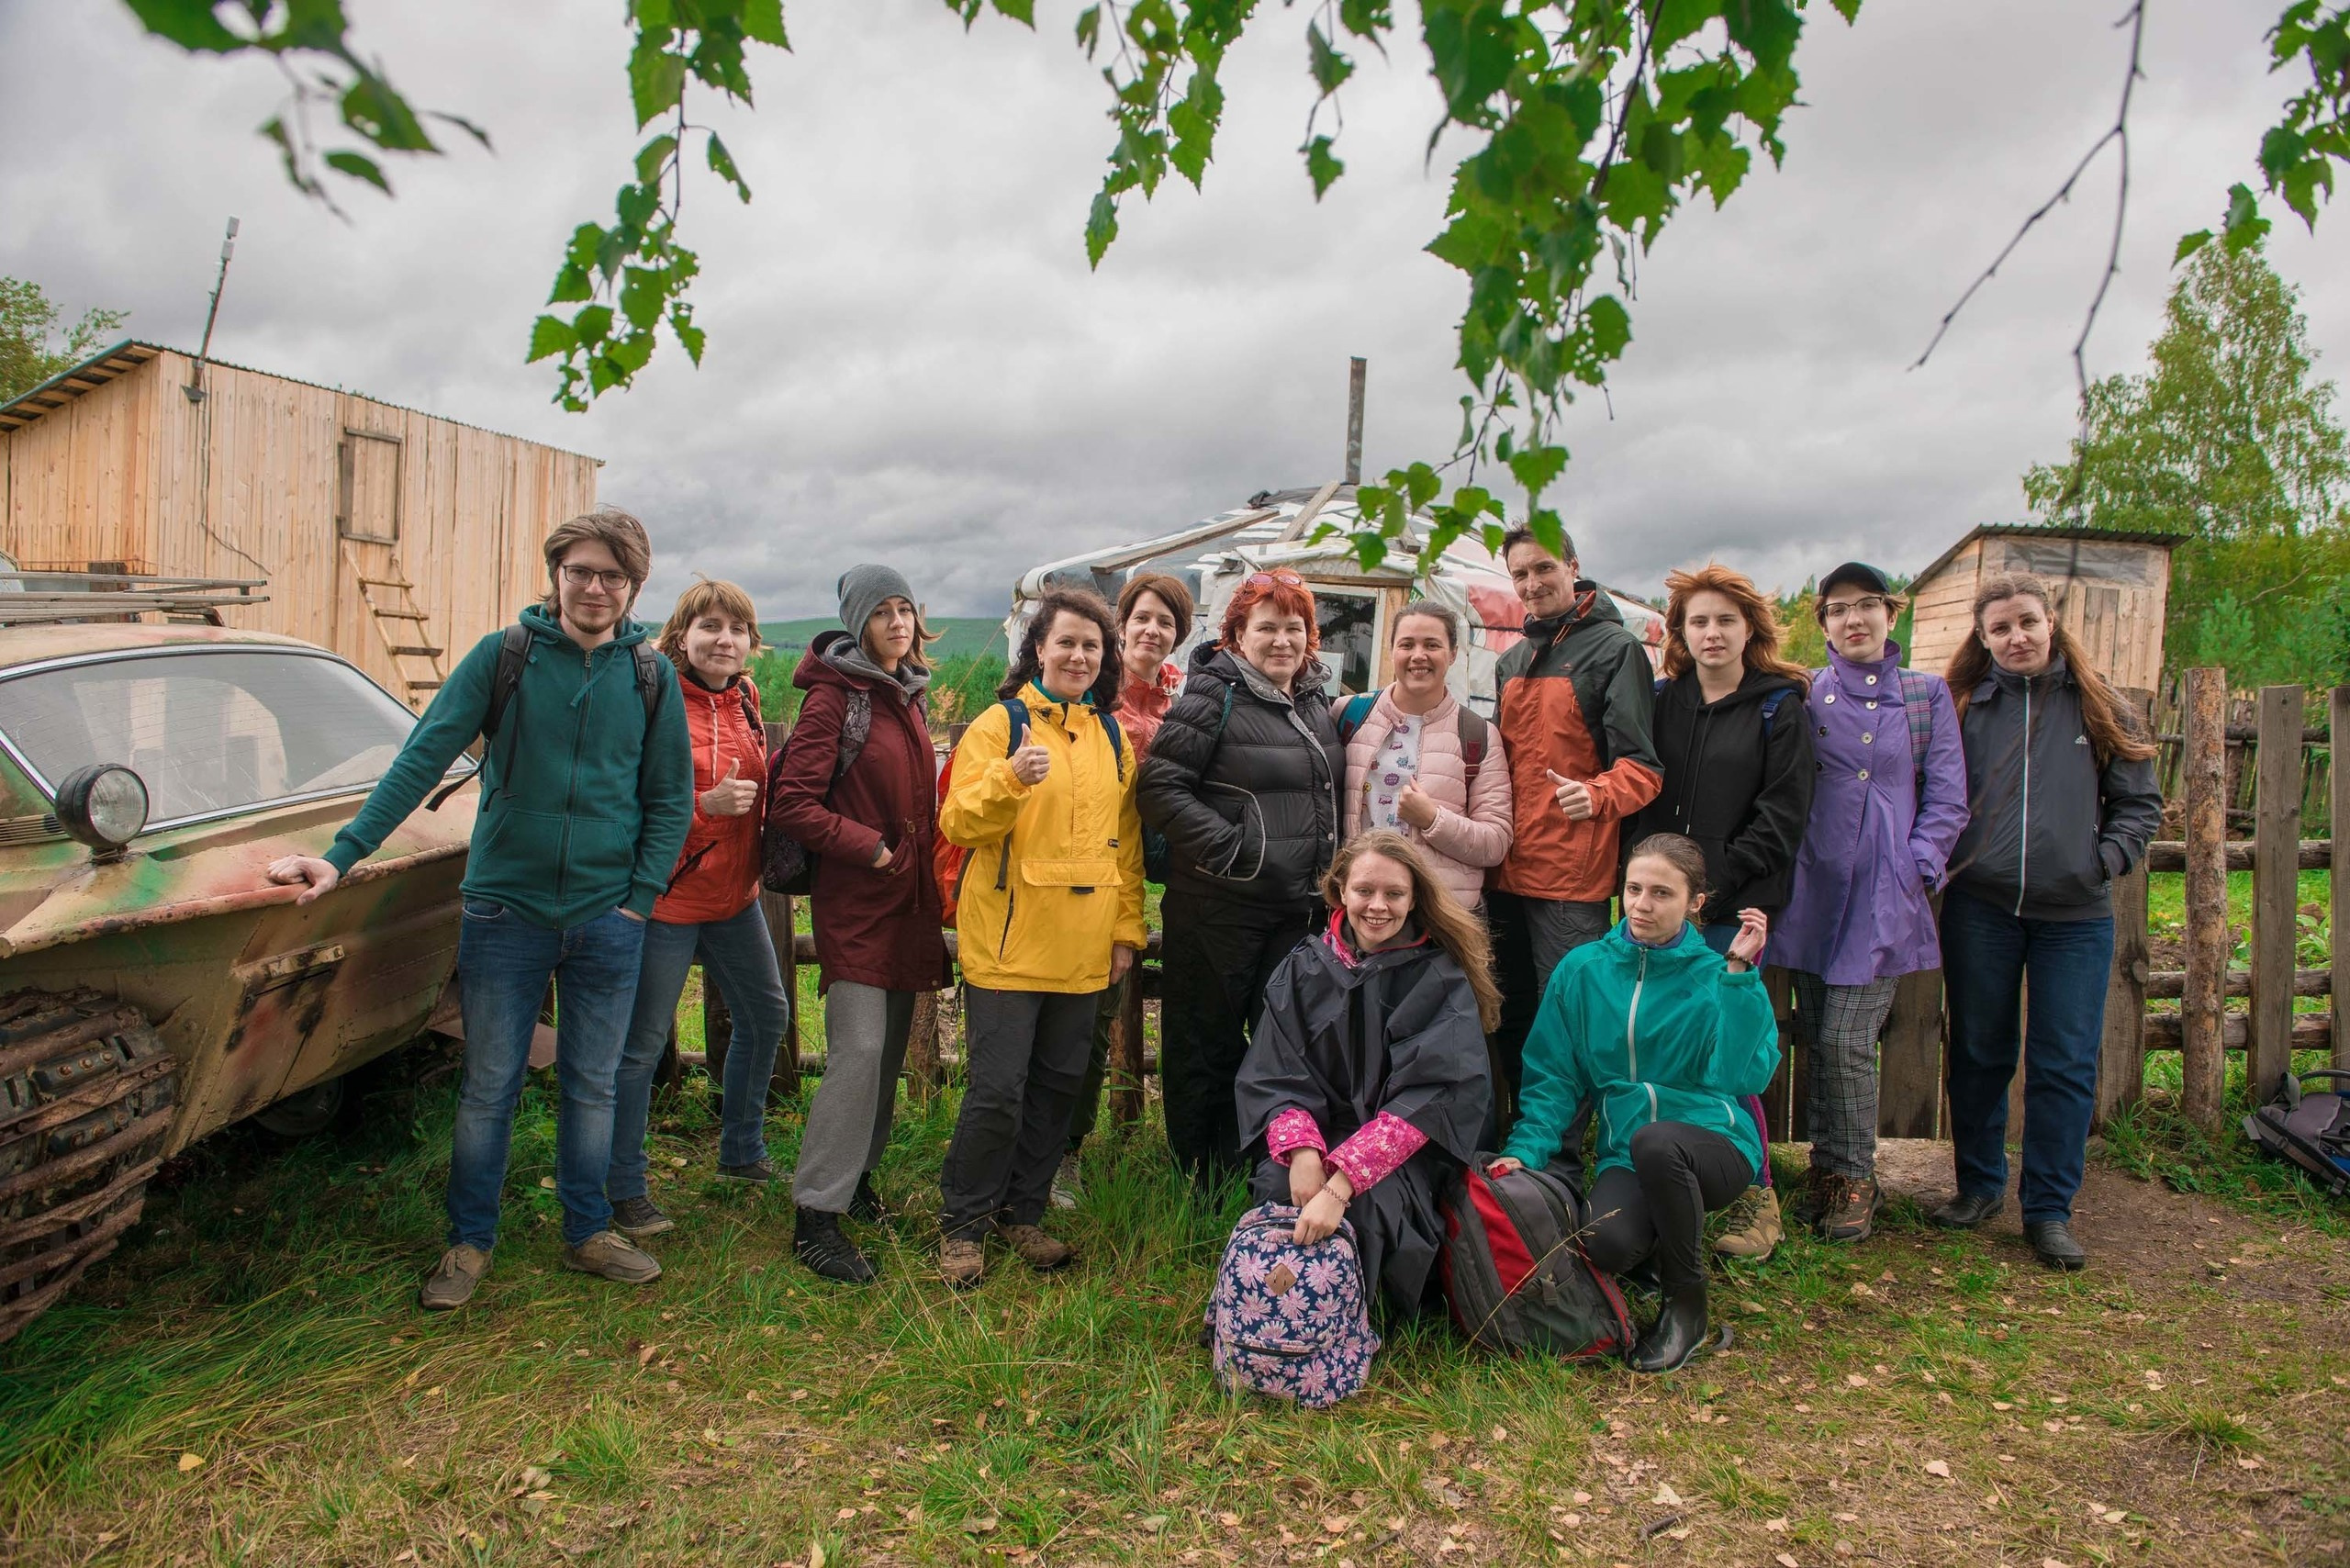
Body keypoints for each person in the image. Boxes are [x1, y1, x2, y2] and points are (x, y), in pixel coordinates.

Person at [266, 507, 693, 1309]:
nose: (594, 588)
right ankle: (468, 1243)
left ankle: (589, 1230)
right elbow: (420, 756)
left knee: (592, 1084)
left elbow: (671, 797)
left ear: (633, 587)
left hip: (608, 917)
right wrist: (341, 855)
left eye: (611, 576)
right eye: (579, 571)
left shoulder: (650, 677)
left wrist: (638, 900)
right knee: (490, 1084)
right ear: (556, 574)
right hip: (505, 911)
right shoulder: (506, 657)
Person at [1930, 572, 2161, 1271]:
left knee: (2063, 1062)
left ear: (2050, 622)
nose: (2016, 637)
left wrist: (2102, 862)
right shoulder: (1964, 706)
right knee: (1979, 1052)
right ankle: (1979, 1187)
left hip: (2075, 917)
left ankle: (2049, 1210)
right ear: (1983, 637)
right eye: (2000, 628)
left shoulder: (2099, 705)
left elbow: (2139, 804)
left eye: (2027, 622)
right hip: (1982, 909)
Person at [1490, 834, 1778, 1373]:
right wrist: (1527, 1148)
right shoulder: (1583, 970)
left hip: (1714, 1148)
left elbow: (1743, 1077)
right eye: (1633, 889)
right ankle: (1656, 1246)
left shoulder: (1717, 975)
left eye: (1662, 893)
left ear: (1694, 902)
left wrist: (1740, 975)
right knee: (1605, 1245)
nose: (1642, 905)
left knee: (1658, 1141)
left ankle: (1686, 1304)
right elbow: (1554, 1074)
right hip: (1628, 1154)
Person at [935, 589, 1145, 1286]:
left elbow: (1126, 848)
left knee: (1056, 1089)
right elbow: (958, 823)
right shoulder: (1000, 725)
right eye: (1067, 643)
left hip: (1085, 945)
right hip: (1007, 943)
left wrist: (1126, 930)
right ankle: (963, 1225)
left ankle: (1021, 1213)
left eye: (1092, 645)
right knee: (997, 1091)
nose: (1079, 656)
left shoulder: (1111, 737)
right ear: (1039, 649)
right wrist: (1009, 778)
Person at [1767, 562, 1968, 1245]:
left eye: (1867, 605)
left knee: (1845, 1040)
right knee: (1818, 1036)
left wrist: (1916, 867)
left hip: (1883, 896)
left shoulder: (1925, 696)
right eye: (1838, 609)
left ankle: (1856, 1177)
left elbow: (1948, 798)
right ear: (1823, 622)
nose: (1854, 619)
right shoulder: (1805, 694)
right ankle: (1827, 1170)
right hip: (1812, 893)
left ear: (1891, 613)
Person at [768, 566, 954, 1284]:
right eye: (881, 612)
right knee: (859, 1050)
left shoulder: (906, 693)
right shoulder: (833, 697)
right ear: (857, 623)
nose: (898, 622)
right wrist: (871, 848)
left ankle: (857, 1182)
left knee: (884, 1053)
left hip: (905, 902)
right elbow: (793, 803)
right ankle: (815, 1215)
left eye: (905, 608)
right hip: (857, 900)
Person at [1627, 564, 1815, 1262]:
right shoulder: (1661, 702)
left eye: (1725, 620)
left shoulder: (1778, 709)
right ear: (1679, 631)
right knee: (1665, 1040)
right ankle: (1672, 1173)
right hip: (1661, 903)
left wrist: (1710, 885)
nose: (1711, 633)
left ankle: (1758, 1191)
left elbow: (1783, 814)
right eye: (1697, 621)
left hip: (1731, 907)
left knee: (1725, 1046)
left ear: (1749, 629)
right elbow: (1641, 788)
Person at [1139, 567, 1344, 1187]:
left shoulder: (1314, 699)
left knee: (1284, 1043)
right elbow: (1160, 788)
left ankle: (1265, 1168)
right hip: (1218, 906)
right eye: (1267, 628)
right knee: (1208, 1041)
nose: (1282, 641)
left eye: (1294, 628)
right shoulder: (1212, 695)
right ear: (1237, 634)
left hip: (1295, 910)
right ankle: (1204, 1177)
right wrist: (1234, 852)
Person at [1235, 830, 1497, 1316]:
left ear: (1414, 898)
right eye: (1364, 890)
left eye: (1394, 893)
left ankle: (1358, 1318)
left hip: (1400, 1149)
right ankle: (1278, 1310)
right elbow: (1275, 1070)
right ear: (1340, 891)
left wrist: (1343, 1182)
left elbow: (1432, 1097)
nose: (1378, 906)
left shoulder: (1438, 977)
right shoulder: (1303, 968)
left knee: (1370, 1206)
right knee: (1278, 1183)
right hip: (1321, 1130)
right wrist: (1304, 1152)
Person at [604, 579, 792, 1239]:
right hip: (666, 899)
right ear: (681, 636)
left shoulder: (746, 700)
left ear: (751, 643)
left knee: (766, 1016)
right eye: (710, 626)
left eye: (737, 629)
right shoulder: (653, 700)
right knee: (641, 1046)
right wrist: (700, 808)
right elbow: (622, 801)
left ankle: (741, 1154)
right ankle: (623, 1188)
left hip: (733, 899)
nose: (724, 640)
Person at [1485, 526, 1662, 1112]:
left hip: (1568, 874)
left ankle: (1558, 1146)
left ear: (1572, 567)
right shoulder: (1512, 659)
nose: (1532, 583)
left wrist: (1597, 794)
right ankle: (1521, 1131)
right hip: (1505, 866)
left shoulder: (1616, 650)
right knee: (1510, 1010)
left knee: (1566, 1018)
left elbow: (1643, 767)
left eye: (1543, 568)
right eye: (1519, 574)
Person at [1055, 572, 1193, 1211]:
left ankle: (1068, 1147)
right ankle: (1039, 1151)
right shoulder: (1092, 693)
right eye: (1142, 617)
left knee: (1094, 1021)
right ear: (1122, 623)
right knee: (1060, 1024)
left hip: (1131, 877)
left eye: (1166, 622)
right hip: (1070, 872)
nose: (1152, 631)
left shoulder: (1180, 705)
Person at [1333, 600, 1514, 913]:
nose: (1419, 655)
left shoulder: (1478, 734)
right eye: (1407, 644)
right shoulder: (1349, 714)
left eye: (1432, 645)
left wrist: (1433, 820)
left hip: (1441, 915)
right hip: (1365, 909)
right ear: (1392, 650)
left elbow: (1495, 843)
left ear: (1453, 654)